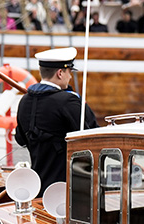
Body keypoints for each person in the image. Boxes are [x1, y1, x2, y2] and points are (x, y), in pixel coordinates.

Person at [15, 47, 99, 194]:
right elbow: (92, 136)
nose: (70, 77)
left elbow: (21, 139)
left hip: (37, 187)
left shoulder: (25, 101)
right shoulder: (68, 101)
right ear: (60, 73)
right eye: (69, 72)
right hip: (67, 189)